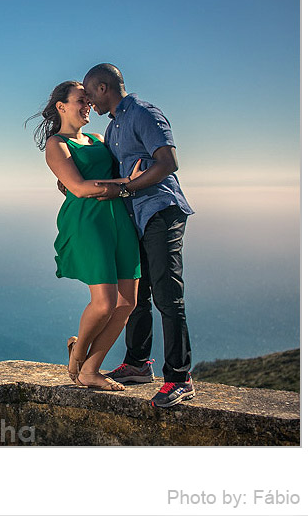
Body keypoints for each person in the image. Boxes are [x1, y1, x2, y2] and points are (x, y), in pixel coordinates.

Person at [81, 63, 195, 408]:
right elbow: (117, 176)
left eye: (89, 94)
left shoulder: (144, 113)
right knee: (138, 296)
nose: (88, 102)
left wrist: (128, 188)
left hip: (161, 211)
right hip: (136, 218)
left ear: (103, 87)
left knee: (167, 296)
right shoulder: (114, 126)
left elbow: (168, 162)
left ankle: (179, 378)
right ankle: (137, 365)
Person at [30, 80, 142, 391]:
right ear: (61, 106)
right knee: (104, 303)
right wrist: (125, 185)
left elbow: (105, 176)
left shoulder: (97, 137)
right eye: (81, 100)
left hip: (117, 219)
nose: (88, 104)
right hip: (88, 222)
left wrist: (120, 186)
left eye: (89, 99)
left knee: (126, 303)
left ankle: (91, 370)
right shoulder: (58, 145)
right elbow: (79, 188)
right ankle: (78, 355)